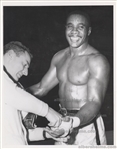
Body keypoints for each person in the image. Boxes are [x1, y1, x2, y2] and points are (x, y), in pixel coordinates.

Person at [28, 10, 110, 145]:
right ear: (65, 29)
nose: (74, 31)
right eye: (70, 26)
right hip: (62, 121)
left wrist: (73, 122)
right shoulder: (59, 57)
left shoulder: (97, 61)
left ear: (89, 31)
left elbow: (94, 102)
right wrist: (12, 92)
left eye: (80, 27)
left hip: (86, 127)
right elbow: (41, 88)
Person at [2, 41, 71, 146]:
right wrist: (48, 112)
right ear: (10, 55)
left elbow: (20, 132)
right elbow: (14, 94)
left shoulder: (12, 91)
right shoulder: (9, 90)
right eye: (24, 64)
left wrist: (47, 133)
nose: (26, 73)